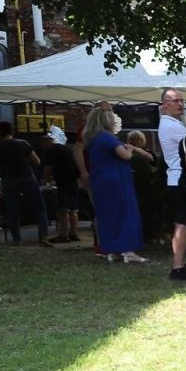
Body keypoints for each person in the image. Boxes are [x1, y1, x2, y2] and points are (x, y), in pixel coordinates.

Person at [81, 105, 152, 263]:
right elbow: (125, 156)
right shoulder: (108, 137)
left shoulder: (92, 139)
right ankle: (128, 250)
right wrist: (132, 150)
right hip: (116, 179)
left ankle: (113, 250)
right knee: (125, 213)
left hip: (100, 180)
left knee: (108, 214)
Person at [0, 122, 51, 246]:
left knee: (12, 211)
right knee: (39, 208)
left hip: (8, 179)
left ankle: (17, 240)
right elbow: (37, 161)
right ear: (11, 131)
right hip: (27, 177)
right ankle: (43, 237)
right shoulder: (22, 144)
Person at [156, 87, 186, 280]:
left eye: (182, 100)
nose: (180, 104)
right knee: (182, 223)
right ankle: (178, 266)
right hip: (180, 178)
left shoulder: (172, 124)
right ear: (165, 105)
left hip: (178, 178)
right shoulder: (171, 126)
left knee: (184, 223)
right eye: (176, 101)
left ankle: (180, 265)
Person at [43, 127, 83, 243]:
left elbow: (48, 167)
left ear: (51, 139)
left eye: (46, 140)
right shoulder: (67, 149)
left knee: (63, 209)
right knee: (73, 209)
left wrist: (45, 178)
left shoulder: (52, 150)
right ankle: (74, 233)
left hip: (63, 182)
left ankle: (64, 235)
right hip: (73, 181)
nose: (44, 143)